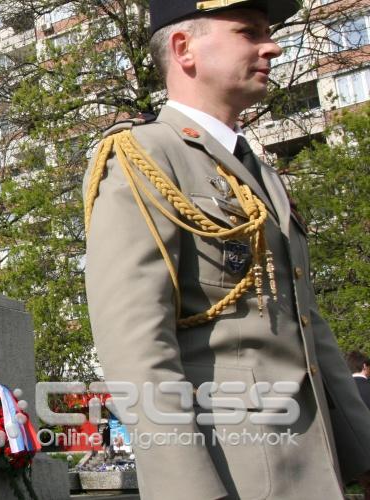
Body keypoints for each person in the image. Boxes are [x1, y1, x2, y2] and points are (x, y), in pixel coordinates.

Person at [83, 1, 370, 498]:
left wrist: (363, 454)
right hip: (233, 473)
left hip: (310, 468)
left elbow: (307, 325)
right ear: (184, 48)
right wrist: (189, 491)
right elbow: (136, 348)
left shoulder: (259, 173)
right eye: (248, 32)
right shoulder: (144, 157)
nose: (272, 46)